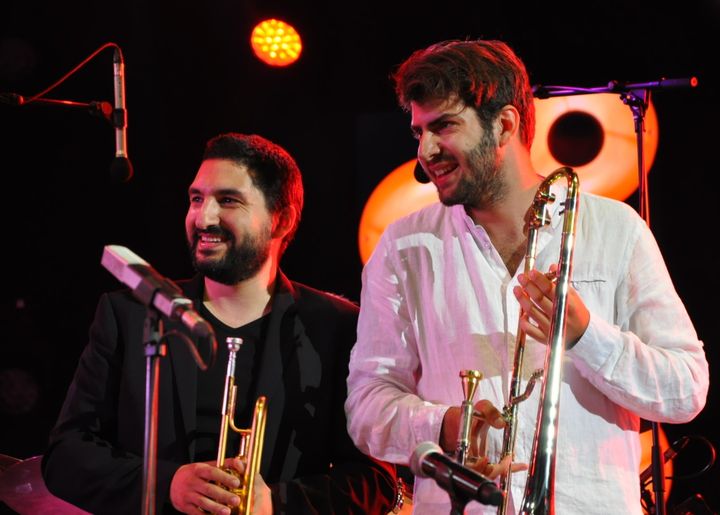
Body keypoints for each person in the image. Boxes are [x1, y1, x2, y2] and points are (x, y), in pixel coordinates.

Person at [344, 39, 709, 514]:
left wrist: (586, 337)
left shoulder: (615, 229)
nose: (426, 151)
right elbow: (367, 405)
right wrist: (444, 425)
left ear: (505, 123)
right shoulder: (402, 247)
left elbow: (685, 390)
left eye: (444, 126)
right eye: (419, 133)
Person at [42, 133, 397, 514]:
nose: (203, 217)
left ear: (282, 219)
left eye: (227, 200)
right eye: (196, 199)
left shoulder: (336, 327)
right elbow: (65, 455)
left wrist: (276, 503)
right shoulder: (129, 314)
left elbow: (376, 483)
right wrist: (168, 483)